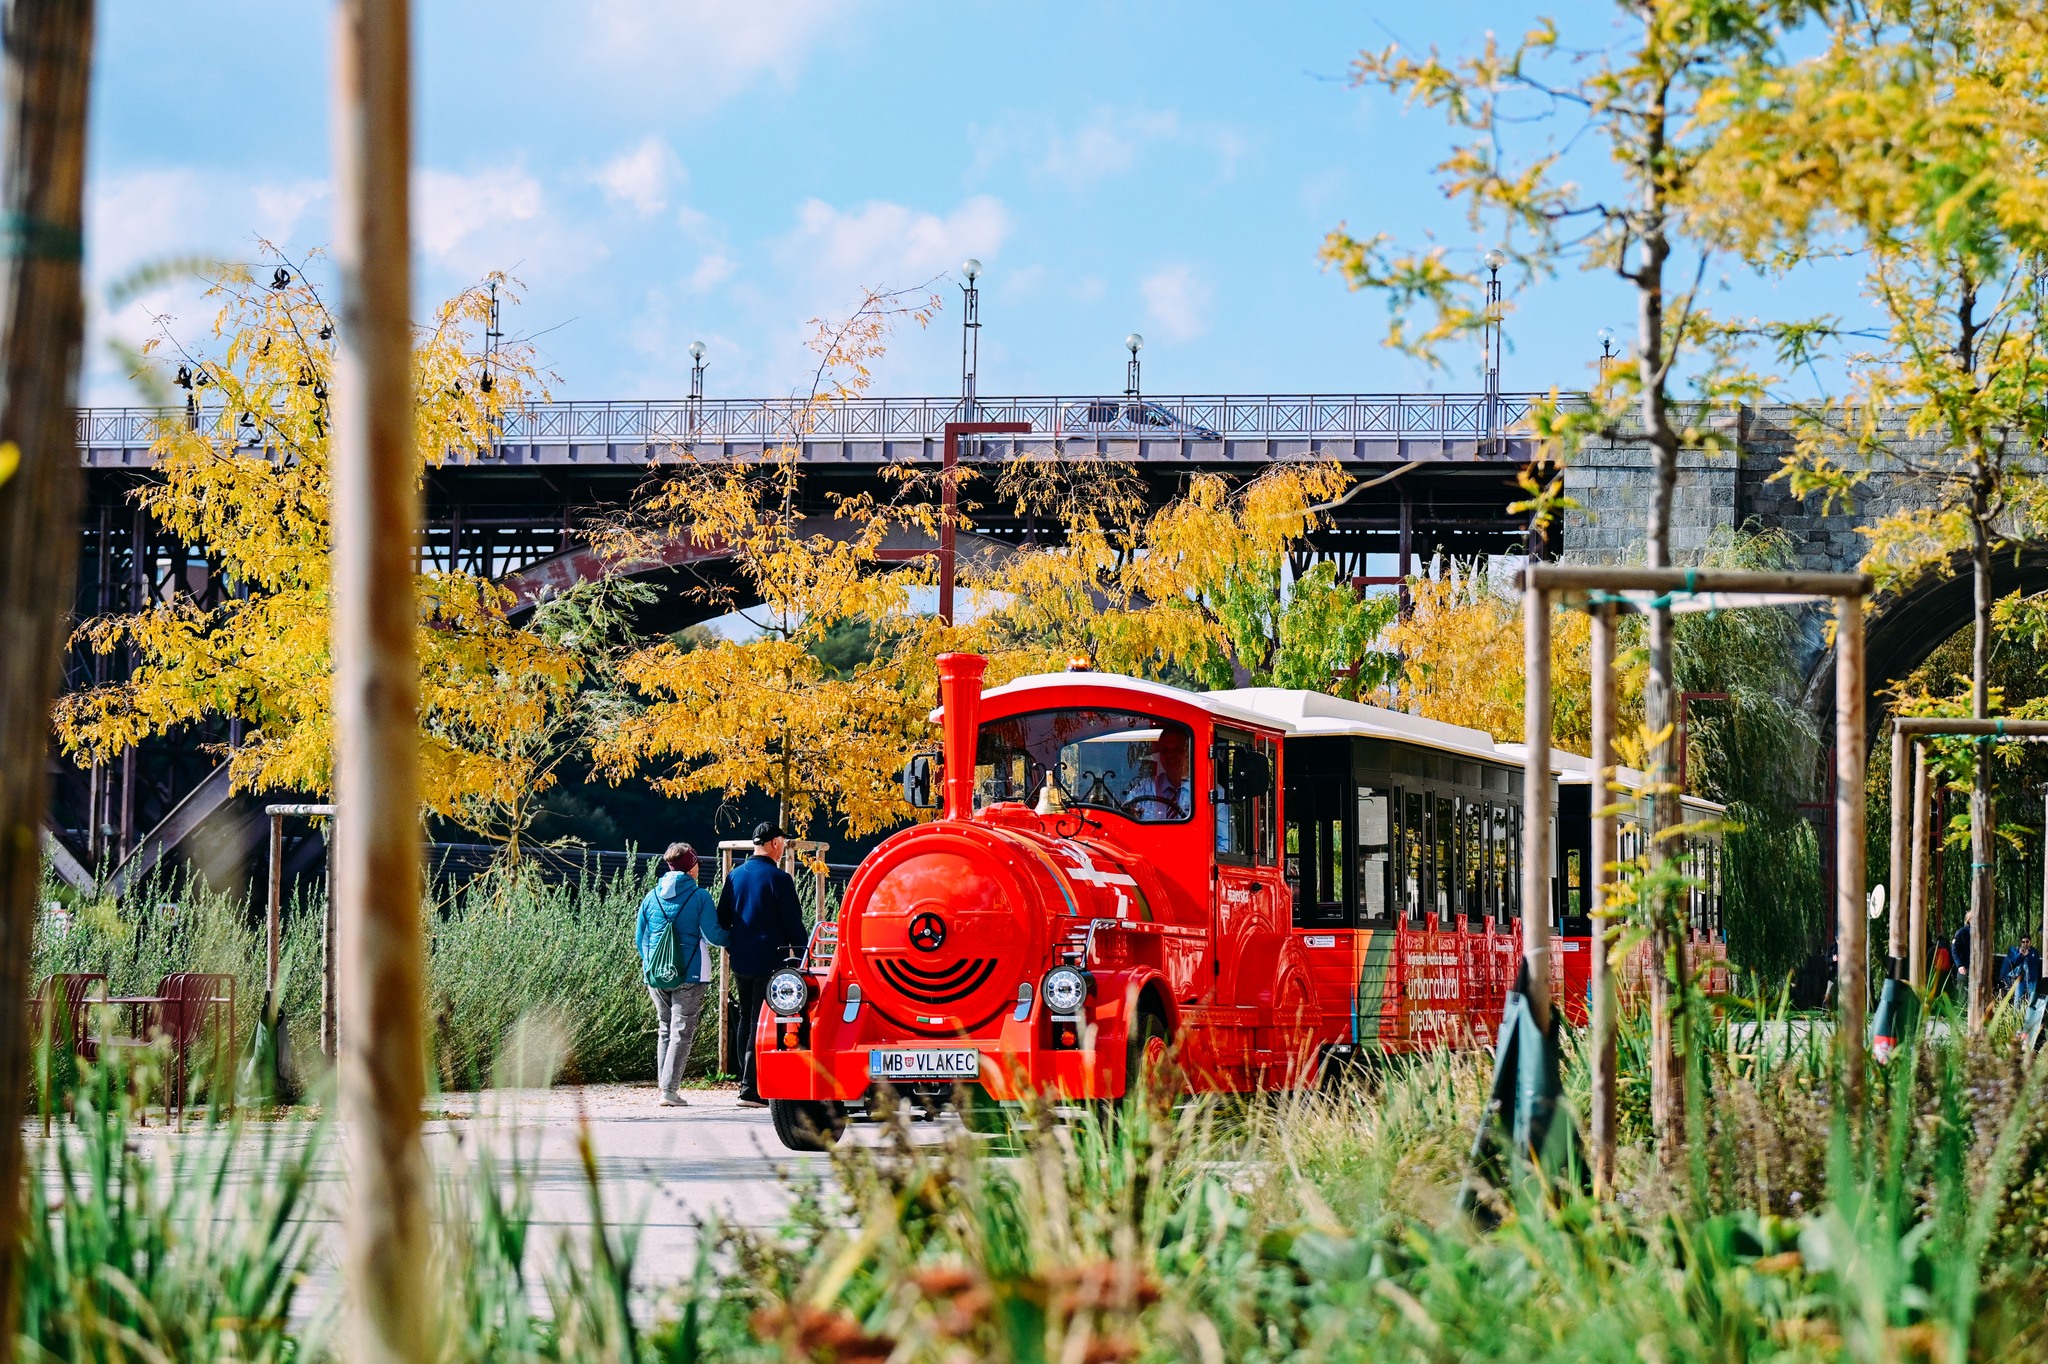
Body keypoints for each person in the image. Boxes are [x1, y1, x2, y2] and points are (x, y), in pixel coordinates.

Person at [717, 822, 810, 1107]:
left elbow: (722, 919)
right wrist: (804, 955)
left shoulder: (734, 876)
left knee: (747, 1018)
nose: (782, 848)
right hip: (772, 960)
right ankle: (752, 1089)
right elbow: (794, 924)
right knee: (764, 1024)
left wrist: (736, 941)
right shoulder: (779, 879)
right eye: (781, 842)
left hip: (742, 959)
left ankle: (744, 1082)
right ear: (774, 844)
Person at [635, 842, 726, 1107]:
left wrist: (653, 963)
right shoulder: (700, 897)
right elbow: (714, 936)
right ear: (691, 866)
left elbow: (640, 939)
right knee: (681, 1030)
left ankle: (664, 1087)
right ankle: (670, 1091)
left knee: (665, 1028)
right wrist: (736, 938)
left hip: (656, 973)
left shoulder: (651, 896)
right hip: (691, 973)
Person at [1999, 935, 2043, 1000]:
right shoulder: (2018, 951)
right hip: (2020, 978)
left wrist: (2027, 955)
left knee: (2031, 997)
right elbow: (2014, 962)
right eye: (2023, 942)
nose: (2025, 943)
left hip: (2031, 978)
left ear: (2030, 942)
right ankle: (2017, 1010)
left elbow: (2035, 963)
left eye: (2027, 942)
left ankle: (2029, 1010)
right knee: (2017, 996)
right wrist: (2020, 954)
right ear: (2021, 943)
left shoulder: (2034, 952)